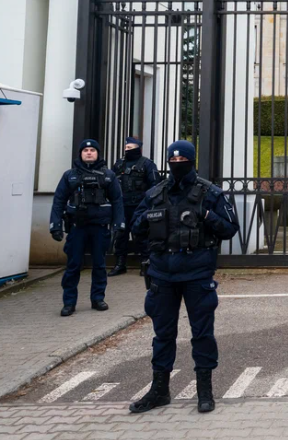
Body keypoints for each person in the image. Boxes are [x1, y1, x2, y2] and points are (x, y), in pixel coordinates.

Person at [129, 140, 239, 415]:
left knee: (202, 334)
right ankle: (159, 390)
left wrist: (205, 215)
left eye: (182, 162)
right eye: (173, 162)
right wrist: (150, 219)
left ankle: (204, 391)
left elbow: (229, 229)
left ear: (191, 161)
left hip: (197, 273)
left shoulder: (209, 193)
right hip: (162, 275)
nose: (177, 165)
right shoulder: (155, 194)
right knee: (162, 335)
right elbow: (135, 229)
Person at [50, 139, 125, 316]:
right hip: (77, 227)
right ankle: (69, 302)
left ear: (98, 153)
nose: (89, 153)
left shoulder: (108, 176)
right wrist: (55, 225)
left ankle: (98, 298)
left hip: (99, 227)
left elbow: (117, 200)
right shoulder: (70, 175)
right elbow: (59, 200)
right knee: (73, 265)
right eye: (85, 150)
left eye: (92, 150)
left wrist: (119, 224)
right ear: (80, 154)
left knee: (99, 265)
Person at [110, 137, 159, 277]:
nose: (128, 150)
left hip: (140, 206)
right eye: (126, 148)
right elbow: (111, 184)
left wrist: (148, 204)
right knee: (120, 235)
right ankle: (120, 264)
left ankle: (146, 263)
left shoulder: (147, 164)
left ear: (139, 148)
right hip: (122, 206)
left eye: (131, 148)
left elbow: (155, 185)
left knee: (141, 234)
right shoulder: (119, 164)